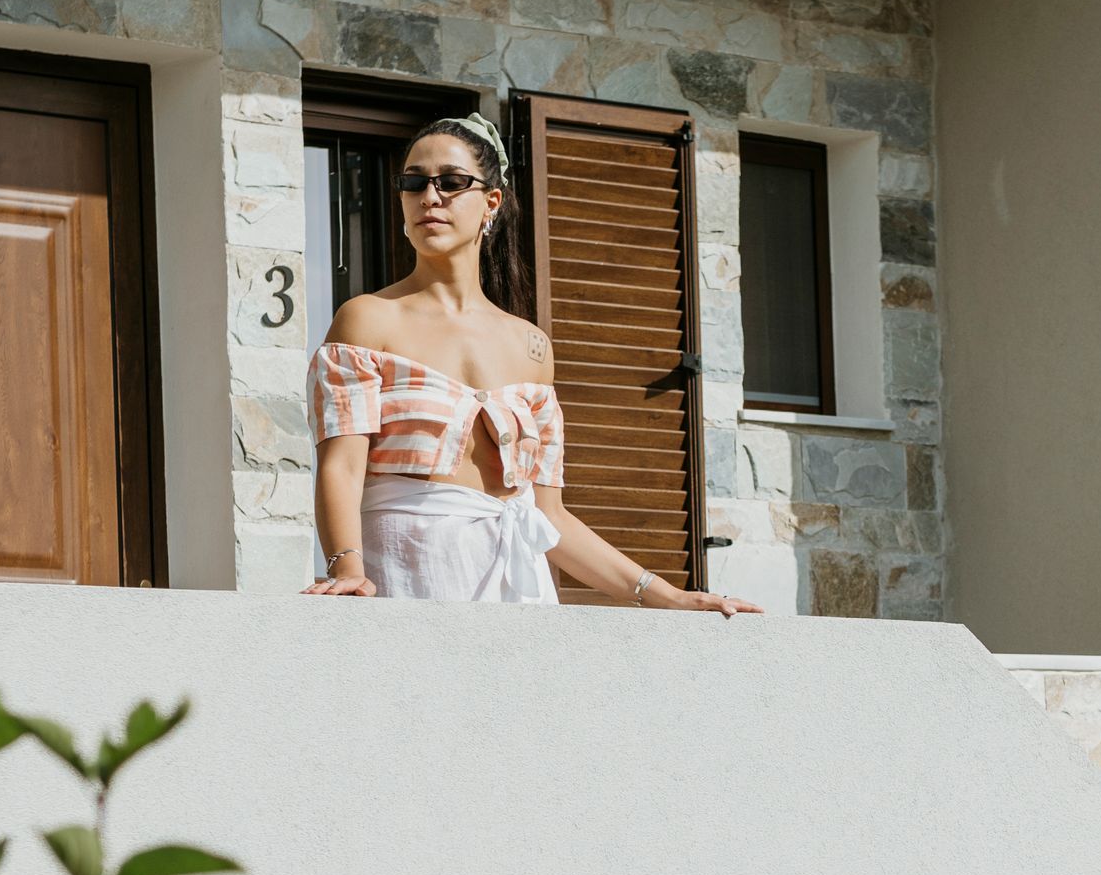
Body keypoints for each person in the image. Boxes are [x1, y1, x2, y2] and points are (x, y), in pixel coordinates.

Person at [301, 113, 761, 615]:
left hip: (517, 588)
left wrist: (668, 595)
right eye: (413, 183)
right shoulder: (367, 320)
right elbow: (342, 467)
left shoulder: (531, 347)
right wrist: (347, 570)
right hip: (406, 571)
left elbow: (547, 515)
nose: (429, 197)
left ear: (490, 203)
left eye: (451, 183)